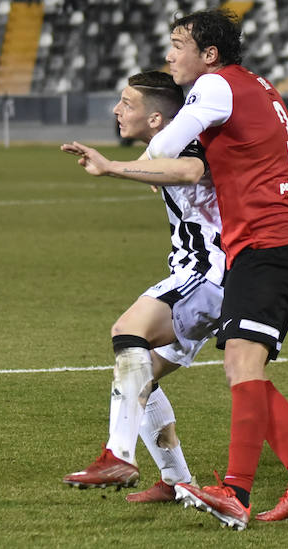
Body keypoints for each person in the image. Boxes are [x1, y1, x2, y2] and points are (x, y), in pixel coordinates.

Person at [64, 8, 288, 529]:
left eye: (177, 43)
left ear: (209, 55)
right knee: (226, 370)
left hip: (256, 250)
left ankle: (228, 489)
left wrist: (115, 165)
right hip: (261, 246)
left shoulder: (215, 90)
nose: (169, 54)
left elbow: (176, 155)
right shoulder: (255, 89)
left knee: (139, 341)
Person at [60, 71, 224, 503]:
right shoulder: (166, 143)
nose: (117, 110)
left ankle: (118, 454)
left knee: (126, 331)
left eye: (127, 103)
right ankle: (177, 483)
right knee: (140, 376)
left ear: (156, 118)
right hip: (208, 274)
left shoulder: (189, 145)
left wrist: (113, 166)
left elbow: (190, 169)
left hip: (207, 273)